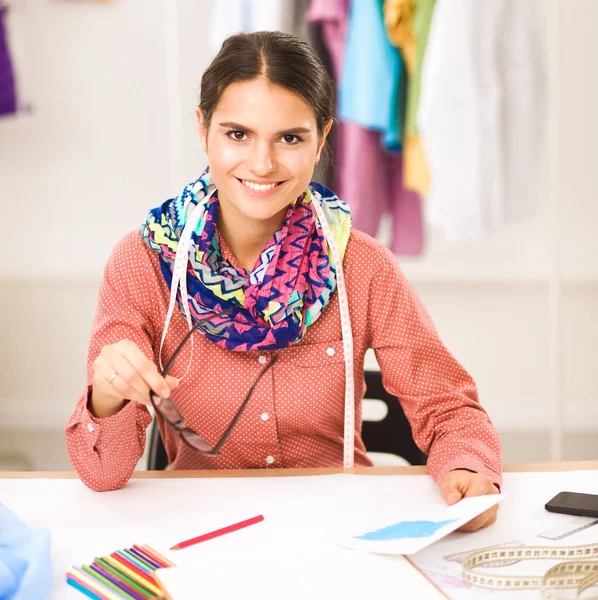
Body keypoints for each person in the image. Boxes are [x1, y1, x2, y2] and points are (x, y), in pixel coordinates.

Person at [66, 31, 501, 532]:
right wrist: (107, 394)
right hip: (195, 535)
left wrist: (468, 466)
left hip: (339, 531)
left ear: (322, 138)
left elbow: (448, 407)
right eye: (237, 134)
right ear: (203, 128)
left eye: (290, 138)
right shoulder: (143, 262)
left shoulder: (361, 265)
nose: (262, 163)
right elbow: (101, 474)